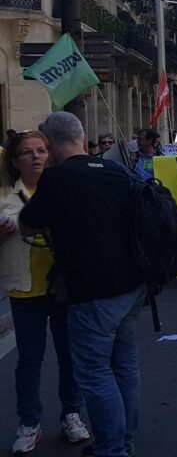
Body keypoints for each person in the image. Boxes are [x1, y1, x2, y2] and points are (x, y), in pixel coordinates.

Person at [19, 113, 146, 457]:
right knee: (124, 367)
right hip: (132, 286)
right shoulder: (118, 170)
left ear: (49, 141)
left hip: (92, 291)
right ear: (82, 136)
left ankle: (111, 449)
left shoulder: (57, 178)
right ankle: (124, 443)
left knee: (94, 373)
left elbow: (27, 225)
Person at [1, 131, 90, 454]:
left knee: (70, 356)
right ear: (15, 161)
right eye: (27, 152)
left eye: (41, 150)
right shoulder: (4, 198)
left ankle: (71, 414)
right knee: (29, 360)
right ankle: (29, 421)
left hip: (65, 286)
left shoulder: (64, 189)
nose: (36, 157)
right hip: (25, 289)